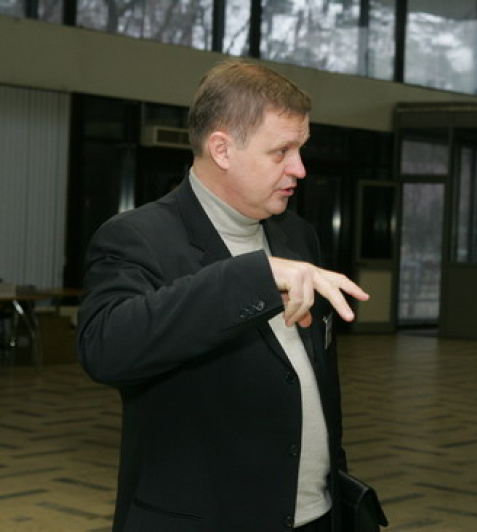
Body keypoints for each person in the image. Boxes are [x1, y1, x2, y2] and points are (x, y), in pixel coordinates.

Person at [78, 58, 369, 532]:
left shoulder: (297, 235)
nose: (300, 168)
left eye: (301, 149)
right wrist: (253, 278)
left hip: (313, 514)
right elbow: (105, 349)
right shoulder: (138, 238)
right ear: (222, 149)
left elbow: (313, 385)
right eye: (282, 151)